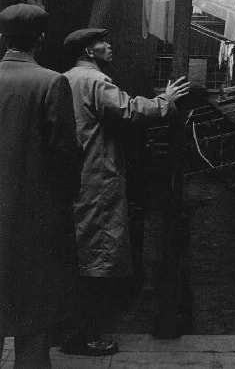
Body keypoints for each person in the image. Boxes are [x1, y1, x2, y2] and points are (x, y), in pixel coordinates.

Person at [61, 28, 189, 356]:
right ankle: (83, 336)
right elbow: (129, 110)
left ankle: (70, 329)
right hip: (97, 178)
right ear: (88, 52)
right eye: (102, 43)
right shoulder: (95, 81)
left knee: (78, 255)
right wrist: (166, 101)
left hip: (77, 177)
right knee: (98, 256)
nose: (109, 46)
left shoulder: (65, 79)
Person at [0, 4, 80, 369]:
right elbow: (65, 157)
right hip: (33, 221)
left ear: (3, 38)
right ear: (41, 39)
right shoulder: (51, 83)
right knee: (32, 325)